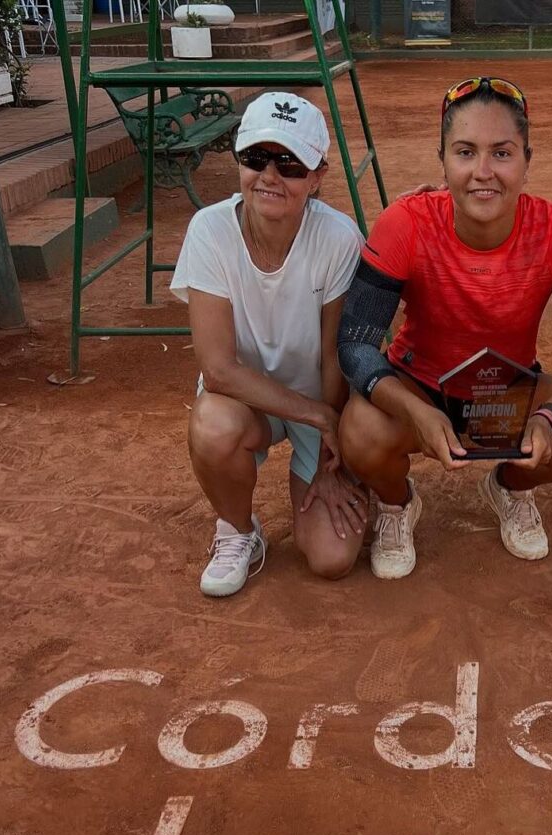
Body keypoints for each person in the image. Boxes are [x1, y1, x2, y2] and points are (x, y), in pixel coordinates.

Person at [336, 76, 552, 580]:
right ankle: (398, 504)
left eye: (502, 154)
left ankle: (511, 486)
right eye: (465, 152)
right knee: (360, 432)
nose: (483, 173)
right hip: (419, 381)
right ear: (441, 159)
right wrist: (415, 410)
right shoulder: (405, 223)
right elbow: (355, 344)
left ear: (528, 160)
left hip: (507, 389)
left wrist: (547, 418)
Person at [172, 92, 366, 597]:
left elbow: (334, 355)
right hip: (246, 403)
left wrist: (332, 444)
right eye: (256, 158)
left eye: (290, 164)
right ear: (238, 160)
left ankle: (355, 484)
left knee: (332, 558)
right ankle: (238, 530)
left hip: (317, 398)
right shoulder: (209, 231)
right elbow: (217, 370)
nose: (270, 176)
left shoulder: (339, 238)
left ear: (318, 176)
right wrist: (319, 417)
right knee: (213, 424)